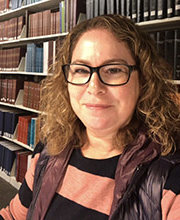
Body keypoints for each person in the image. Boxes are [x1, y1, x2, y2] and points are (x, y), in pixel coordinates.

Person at [0, 14, 180, 220]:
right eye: (80, 69)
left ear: (144, 81)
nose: (94, 87)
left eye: (113, 69)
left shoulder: (169, 179)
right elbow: (14, 215)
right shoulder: (50, 153)